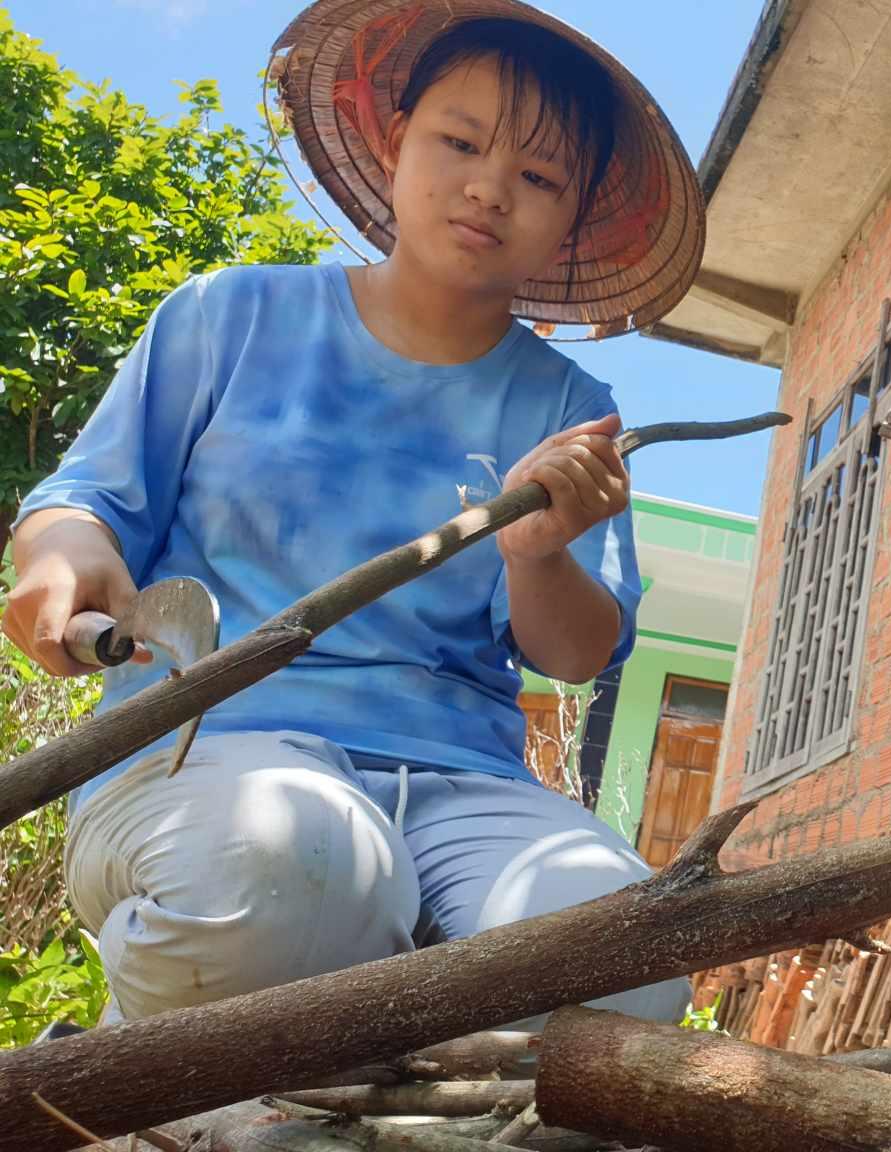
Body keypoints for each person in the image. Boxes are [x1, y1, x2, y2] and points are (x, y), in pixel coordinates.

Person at [3, 0, 707, 1028]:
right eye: (458, 142)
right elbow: (86, 503)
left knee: (622, 963)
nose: (487, 188)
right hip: (209, 754)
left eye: (539, 177)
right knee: (298, 883)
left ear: (576, 216)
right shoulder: (226, 316)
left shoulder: (571, 412)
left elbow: (577, 653)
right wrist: (58, 554)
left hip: (463, 788)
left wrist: (538, 553)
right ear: (393, 139)